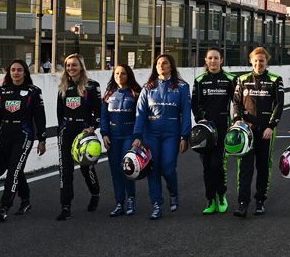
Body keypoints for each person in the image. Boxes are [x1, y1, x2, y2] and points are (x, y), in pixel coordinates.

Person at [0, 60, 45, 222]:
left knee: (13, 170)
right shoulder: (2, 92)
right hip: (5, 134)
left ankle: (4, 207)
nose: (16, 73)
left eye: (19, 70)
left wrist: (42, 139)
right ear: (9, 72)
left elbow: (40, 118)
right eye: (13, 70)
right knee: (15, 168)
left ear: (25, 72)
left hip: (24, 134)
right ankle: (25, 200)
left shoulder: (33, 91)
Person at [132, 54, 192, 220]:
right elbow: (141, 114)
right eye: (158, 63)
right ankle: (157, 204)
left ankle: (173, 192)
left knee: (167, 168)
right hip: (151, 135)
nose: (161, 65)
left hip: (172, 134)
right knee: (153, 169)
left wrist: (184, 136)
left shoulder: (182, 87)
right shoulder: (148, 87)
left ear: (171, 66)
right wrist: (137, 135)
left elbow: (186, 113)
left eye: (165, 63)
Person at [232, 47, 284, 217]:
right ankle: (242, 203)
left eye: (262, 60)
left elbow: (279, 104)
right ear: (250, 61)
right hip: (246, 132)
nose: (259, 63)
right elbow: (236, 103)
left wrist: (271, 126)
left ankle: (260, 200)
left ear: (266, 61)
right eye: (256, 60)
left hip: (266, 132)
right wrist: (237, 121)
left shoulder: (276, 80)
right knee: (245, 168)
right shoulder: (242, 79)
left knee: (263, 167)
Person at [52, 53, 101, 221]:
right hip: (67, 130)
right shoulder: (63, 87)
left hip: (84, 131)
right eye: (68, 65)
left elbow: (99, 111)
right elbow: (59, 113)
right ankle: (66, 206)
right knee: (65, 170)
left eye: (74, 65)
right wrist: (61, 130)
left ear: (81, 66)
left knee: (86, 168)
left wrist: (92, 127)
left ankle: (95, 193)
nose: (71, 68)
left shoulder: (92, 86)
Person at [192, 48, 236, 215]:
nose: (213, 61)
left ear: (221, 60)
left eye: (216, 58)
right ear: (205, 60)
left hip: (223, 128)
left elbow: (236, 102)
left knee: (217, 164)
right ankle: (210, 199)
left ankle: (221, 195)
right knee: (206, 167)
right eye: (210, 58)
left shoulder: (230, 79)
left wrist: (236, 122)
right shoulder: (200, 80)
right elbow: (194, 104)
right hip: (204, 131)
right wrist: (199, 119)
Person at [101, 64, 141, 217]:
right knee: (115, 171)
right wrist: (104, 134)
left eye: (123, 73)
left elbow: (140, 116)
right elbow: (104, 117)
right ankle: (119, 202)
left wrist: (138, 136)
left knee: (126, 168)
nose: (119, 76)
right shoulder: (108, 93)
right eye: (117, 73)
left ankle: (131, 198)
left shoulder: (135, 93)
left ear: (128, 75)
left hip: (129, 137)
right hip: (113, 137)